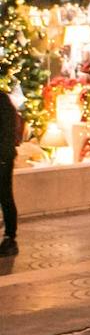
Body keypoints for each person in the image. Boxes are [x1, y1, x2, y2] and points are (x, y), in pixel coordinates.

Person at [0, 88, 19, 258]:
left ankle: (10, 238)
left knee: (5, 196)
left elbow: (7, 133)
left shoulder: (2, 101)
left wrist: (3, 157)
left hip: (2, 159)